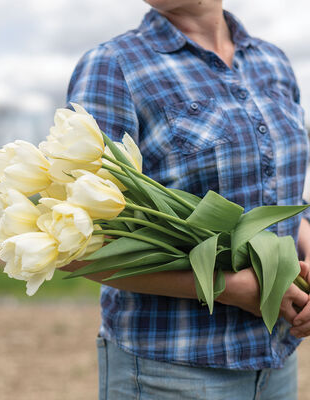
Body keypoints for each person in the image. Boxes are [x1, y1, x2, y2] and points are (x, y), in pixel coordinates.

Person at [62, 1, 310, 398]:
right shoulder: (115, 65)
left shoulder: (272, 62)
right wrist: (226, 286)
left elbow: (281, 194)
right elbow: (77, 245)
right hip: (173, 370)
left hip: (276, 361)